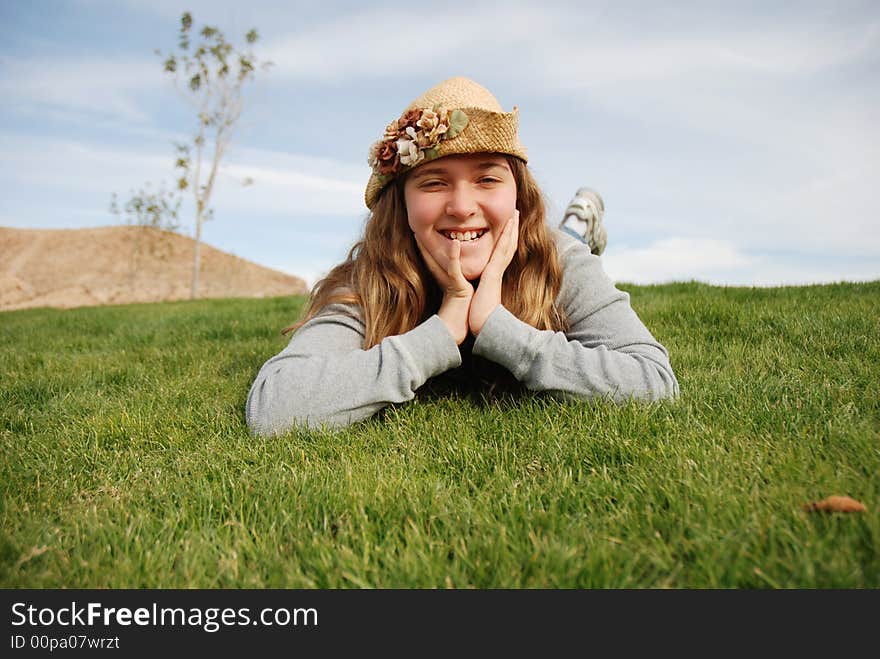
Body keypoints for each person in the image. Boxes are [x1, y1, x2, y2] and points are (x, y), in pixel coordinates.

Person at [246, 77, 678, 435]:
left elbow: (653, 382)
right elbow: (275, 407)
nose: (461, 205)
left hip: (553, 241)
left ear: (517, 194)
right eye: (434, 183)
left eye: (487, 179)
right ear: (402, 204)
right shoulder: (371, 277)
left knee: (570, 238)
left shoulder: (560, 259)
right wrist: (439, 333)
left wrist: (498, 327)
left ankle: (579, 225)